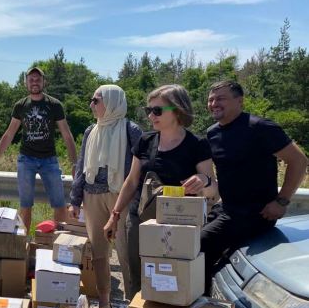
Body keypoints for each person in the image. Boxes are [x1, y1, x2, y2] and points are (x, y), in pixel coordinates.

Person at [103, 84, 218, 296]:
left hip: (179, 225)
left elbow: (213, 191)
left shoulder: (197, 145)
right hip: (141, 220)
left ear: (177, 110)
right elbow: (131, 181)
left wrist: (204, 179)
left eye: (157, 110)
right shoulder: (145, 141)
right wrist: (115, 215)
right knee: (138, 275)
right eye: (149, 110)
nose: (151, 116)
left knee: (173, 279)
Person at [202, 81, 308, 291]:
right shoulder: (212, 133)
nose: (214, 103)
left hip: (255, 214)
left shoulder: (260, 127)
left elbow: (299, 161)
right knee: (187, 240)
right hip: (227, 209)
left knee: (199, 246)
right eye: (211, 99)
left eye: (221, 98)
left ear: (239, 101)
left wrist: (281, 201)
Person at [68, 85, 142, 308]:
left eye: (96, 100)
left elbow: (140, 170)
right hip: (92, 196)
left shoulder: (131, 130)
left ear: (111, 102)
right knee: (99, 252)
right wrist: (75, 199)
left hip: (121, 197)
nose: (91, 104)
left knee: (126, 254)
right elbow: (81, 167)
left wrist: (136, 202)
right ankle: (104, 301)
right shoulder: (91, 131)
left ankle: (135, 305)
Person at [0, 67, 77, 230]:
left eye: (38, 79)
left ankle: (56, 243)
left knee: (59, 204)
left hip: (49, 160)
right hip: (26, 160)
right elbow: (9, 134)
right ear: (26, 83)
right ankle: (24, 243)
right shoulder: (20, 106)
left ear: (44, 82)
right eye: (31, 79)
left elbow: (67, 135)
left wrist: (75, 164)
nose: (35, 82)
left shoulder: (55, 105)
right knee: (25, 205)